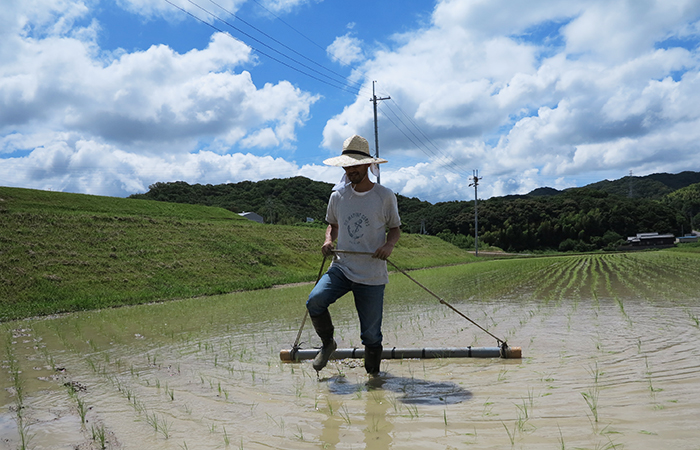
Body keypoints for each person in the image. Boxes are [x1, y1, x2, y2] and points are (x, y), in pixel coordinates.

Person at [306, 134, 401, 376]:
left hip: (371, 273)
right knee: (315, 301)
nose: (351, 170)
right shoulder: (338, 196)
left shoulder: (384, 196)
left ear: (369, 165)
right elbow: (332, 224)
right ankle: (328, 343)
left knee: (370, 334)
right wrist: (328, 240)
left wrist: (389, 246)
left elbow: (395, 229)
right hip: (342, 267)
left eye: (356, 165)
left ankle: (373, 378)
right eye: (347, 166)